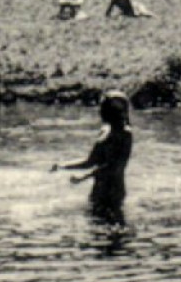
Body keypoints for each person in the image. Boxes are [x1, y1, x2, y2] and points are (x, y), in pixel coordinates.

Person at [51, 91, 133, 219]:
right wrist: (62, 166)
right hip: (98, 189)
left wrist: (84, 177)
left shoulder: (125, 135)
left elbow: (115, 167)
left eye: (103, 108)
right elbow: (90, 161)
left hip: (113, 192)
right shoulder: (105, 131)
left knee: (110, 233)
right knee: (95, 231)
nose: (100, 112)